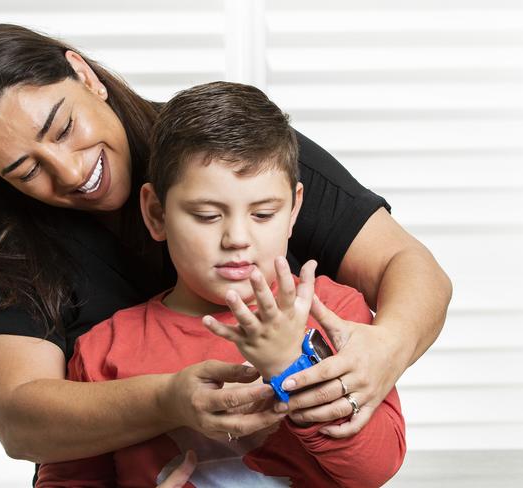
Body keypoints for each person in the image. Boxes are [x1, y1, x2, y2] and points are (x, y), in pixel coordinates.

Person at [0, 23, 448, 483]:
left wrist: (386, 347)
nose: (69, 173)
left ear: (84, 75)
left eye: (65, 128)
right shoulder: (12, 254)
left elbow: (407, 266)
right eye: (26, 171)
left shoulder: (233, 152)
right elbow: (22, 421)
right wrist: (170, 401)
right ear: (155, 213)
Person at [36, 81, 406, 488]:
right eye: (207, 216)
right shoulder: (104, 350)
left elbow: (375, 468)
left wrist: (290, 369)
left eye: (263, 214)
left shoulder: (338, 316)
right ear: (156, 213)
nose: (236, 238)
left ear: (294, 208)